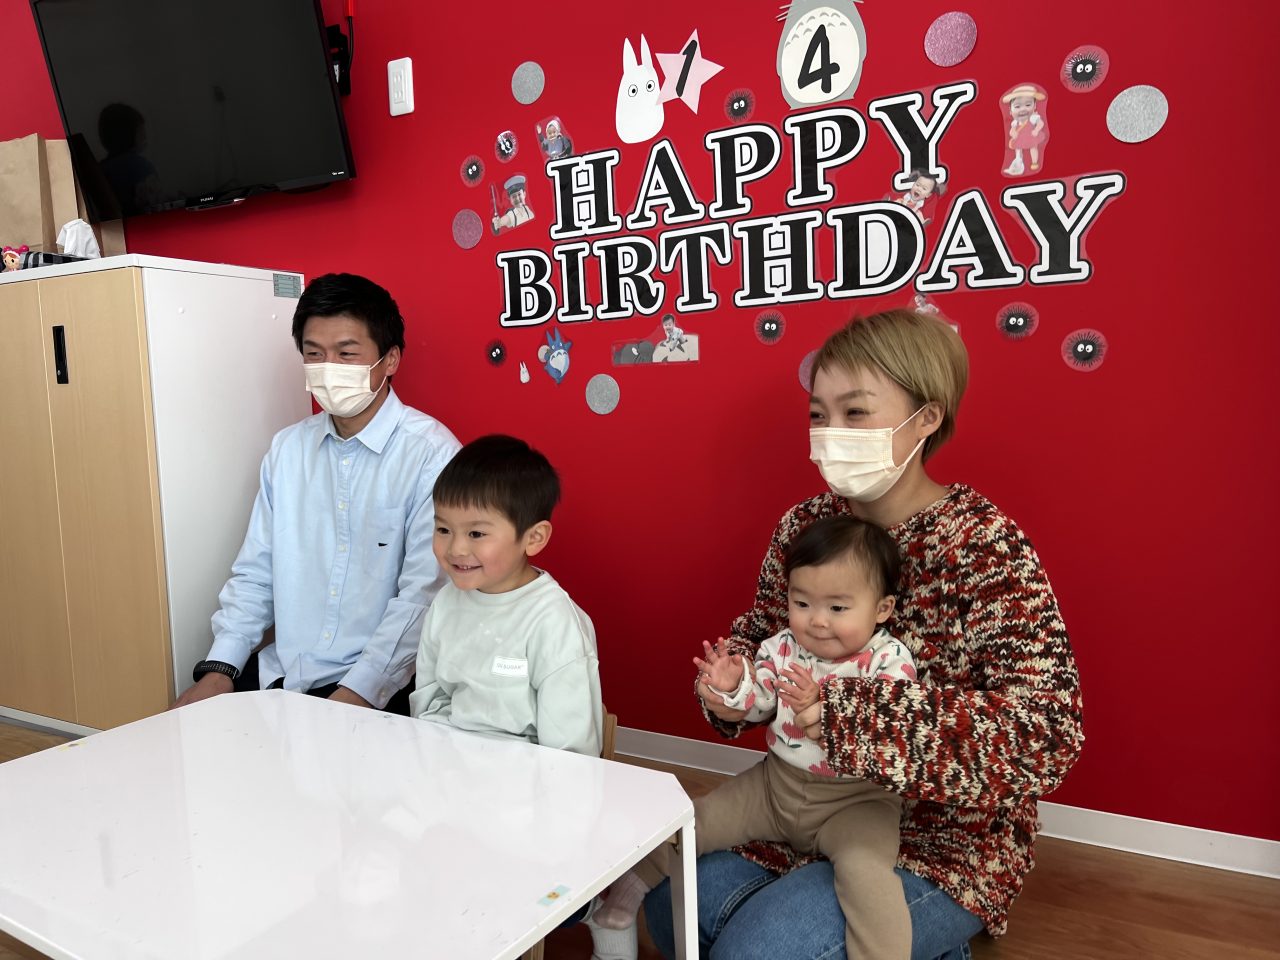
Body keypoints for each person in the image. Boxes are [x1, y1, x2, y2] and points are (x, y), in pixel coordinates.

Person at [642, 308, 1083, 960]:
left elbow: (1046, 734)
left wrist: (847, 717)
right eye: (818, 414)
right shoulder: (805, 525)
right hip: (795, 800)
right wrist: (727, 687)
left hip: (936, 838)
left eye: (855, 412)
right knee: (666, 909)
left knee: (750, 948)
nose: (830, 434)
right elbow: (760, 637)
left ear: (926, 419)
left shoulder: (982, 545)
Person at [593, 516, 917, 960]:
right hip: (774, 787)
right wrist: (732, 688)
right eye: (802, 603)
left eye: (838, 609)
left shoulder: (888, 658)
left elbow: (894, 727)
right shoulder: (782, 647)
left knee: (868, 876)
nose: (817, 621)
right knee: (693, 820)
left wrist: (826, 710)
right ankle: (622, 897)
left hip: (856, 801)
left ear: (882, 609)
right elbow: (760, 701)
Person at [171, 273, 461, 714]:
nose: (328, 367)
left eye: (346, 353)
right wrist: (220, 668)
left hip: (382, 685)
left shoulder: (432, 455)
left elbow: (423, 597)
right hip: (281, 672)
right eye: (314, 354)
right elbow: (256, 573)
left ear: (390, 360)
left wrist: (356, 694)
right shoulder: (287, 450)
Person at [409, 433, 602, 755]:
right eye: (443, 529)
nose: (456, 548)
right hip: (447, 765)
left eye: (476, 533)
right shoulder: (445, 602)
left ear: (534, 538)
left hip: (526, 774)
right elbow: (428, 703)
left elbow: (570, 753)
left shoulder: (554, 622)